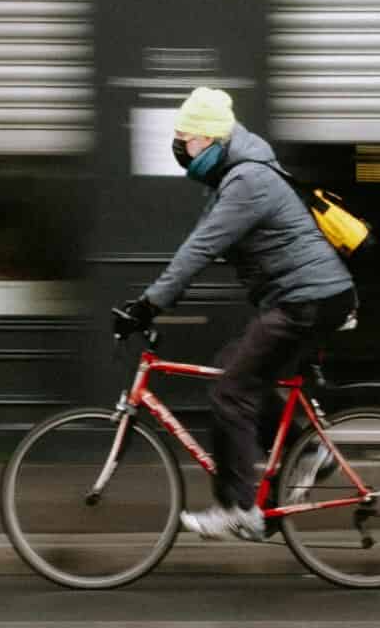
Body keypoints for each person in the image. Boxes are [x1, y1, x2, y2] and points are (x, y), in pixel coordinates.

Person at [116, 87, 356, 543]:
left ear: (207, 140)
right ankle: (308, 451)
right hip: (309, 298)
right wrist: (159, 298)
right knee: (235, 368)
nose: (178, 147)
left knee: (231, 393)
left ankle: (238, 508)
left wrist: (148, 305)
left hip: (307, 300)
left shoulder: (247, 180)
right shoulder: (236, 175)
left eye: (183, 139)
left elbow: (199, 250)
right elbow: (201, 245)